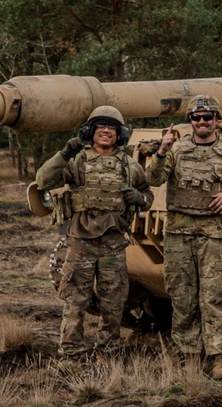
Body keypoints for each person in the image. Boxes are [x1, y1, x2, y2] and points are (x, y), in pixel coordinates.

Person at [145, 95, 222, 380]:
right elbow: (153, 179)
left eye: (207, 117)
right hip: (179, 236)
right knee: (183, 298)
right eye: (196, 118)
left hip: (214, 236)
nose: (201, 122)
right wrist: (161, 151)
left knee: (216, 299)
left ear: (217, 120)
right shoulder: (176, 150)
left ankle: (220, 359)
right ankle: (189, 357)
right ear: (190, 122)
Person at [36, 106, 153, 358]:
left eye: (112, 127)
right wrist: (65, 152)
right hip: (81, 242)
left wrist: (139, 198)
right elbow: (44, 179)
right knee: (75, 301)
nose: (106, 131)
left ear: (120, 133)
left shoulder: (130, 166)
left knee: (113, 302)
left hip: (113, 243)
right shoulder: (77, 161)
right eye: (100, 126)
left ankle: (107, 352)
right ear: (90, 131)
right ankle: (71, 353)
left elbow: (148, 194)